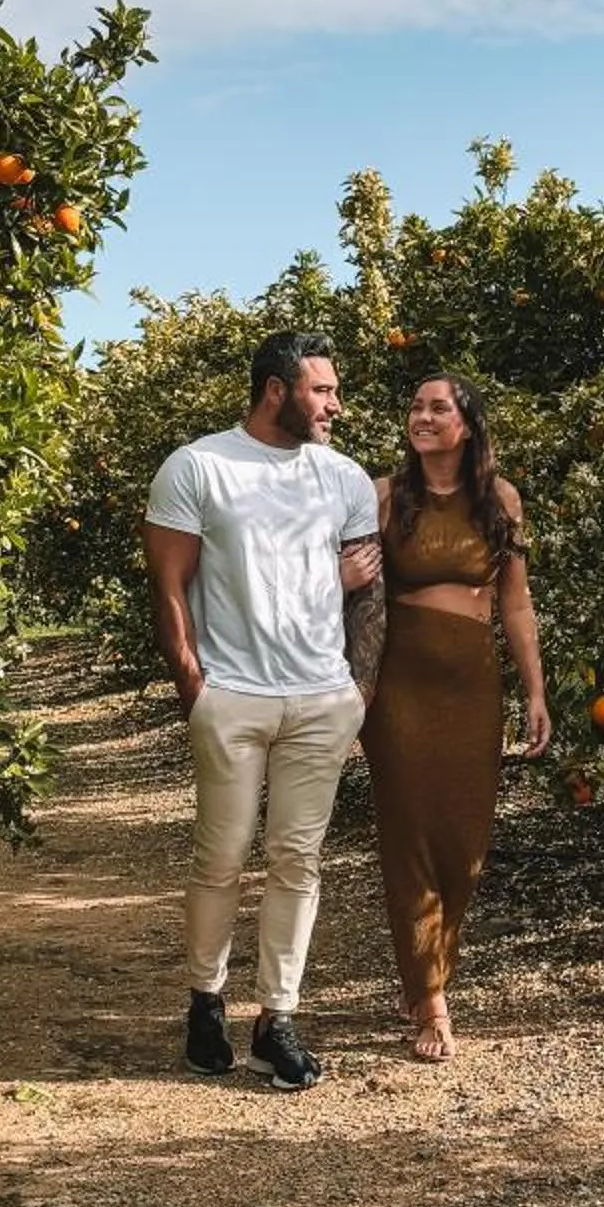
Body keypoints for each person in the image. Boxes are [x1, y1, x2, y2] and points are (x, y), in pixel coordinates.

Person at [143, 333, 381, 1092]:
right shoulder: (199, 466)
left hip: (320, 699)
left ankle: (277, 1019)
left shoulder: (342, 478)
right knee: (221, 856)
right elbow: (169, 587)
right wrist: (195, 690)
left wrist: (358, 694)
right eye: (322, 391)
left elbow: (368, 592)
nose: (335, 405)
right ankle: (205, 1002)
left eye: (334, 391)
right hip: (233, 698)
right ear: (276, 390)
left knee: (297, 860)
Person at [364, 372, 550, 1063]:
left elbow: (517, 604)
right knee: (410, 836)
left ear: (467, 423)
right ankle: (432, 1000)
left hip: (472, 683)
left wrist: (534, 692)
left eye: (438, 407)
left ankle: (425, 972)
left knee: (464, 846)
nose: (422, 416)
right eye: (415, 406)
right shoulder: (384, 496)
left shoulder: (501, 499)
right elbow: (352, 598)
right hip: (399, 687)